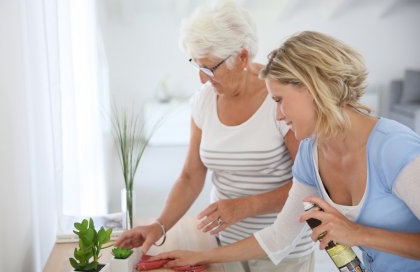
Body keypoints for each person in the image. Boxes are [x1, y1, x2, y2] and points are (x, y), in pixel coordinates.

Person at [149, 31, 420, 271]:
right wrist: (199, 257)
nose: (278, 115)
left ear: (314, 89)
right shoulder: (311, 154)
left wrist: (357, 234)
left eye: (279, 100)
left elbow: (355, 235)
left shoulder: (393, 149)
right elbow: (280, 236)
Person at [115, 1, 315, 271]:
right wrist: (159, 225)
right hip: (225, 246)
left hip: (282, 251)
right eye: (196, 66)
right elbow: (190, 175)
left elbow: (309, 183)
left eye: (209, 68)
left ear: (242, 57)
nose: (202, 79)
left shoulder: (279, 99)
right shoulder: (204, 101)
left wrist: (246, 206)